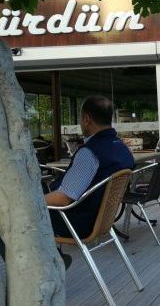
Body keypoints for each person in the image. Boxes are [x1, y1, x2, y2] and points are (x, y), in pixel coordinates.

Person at [0, 95, 135, 268]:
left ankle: (31, 271)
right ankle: (54, 257)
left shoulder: (91, 153)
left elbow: (63, 199)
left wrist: (21, 202)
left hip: (75, 221)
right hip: (100, 219)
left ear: (87, 119)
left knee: (6, 214)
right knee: (37, 188)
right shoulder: (122, 148)